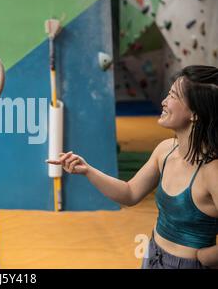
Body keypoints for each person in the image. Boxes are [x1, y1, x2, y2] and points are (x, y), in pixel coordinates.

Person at [47, 65, 218, 269]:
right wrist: (87, 170)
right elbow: (130, 193)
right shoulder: (165, 151)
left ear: (195, 114)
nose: (164, 102)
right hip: (154, 255)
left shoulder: (212, 172)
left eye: (173, 96)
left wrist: (205, 258)